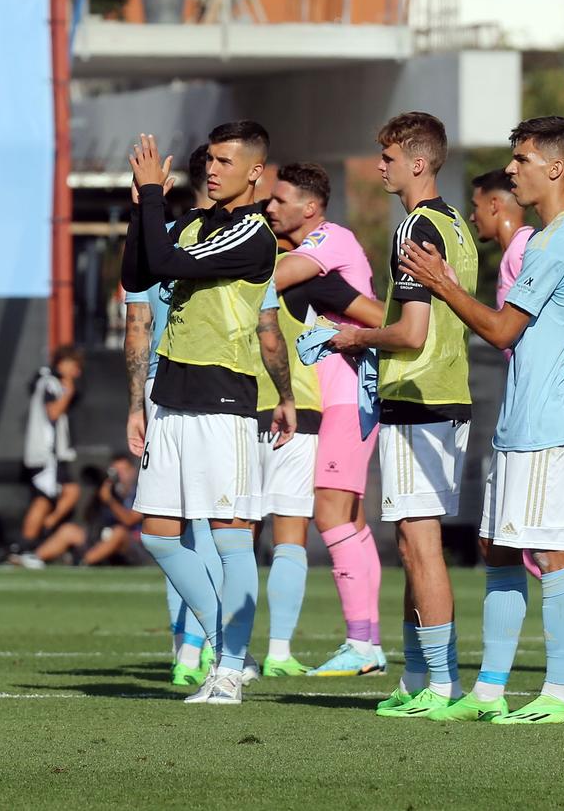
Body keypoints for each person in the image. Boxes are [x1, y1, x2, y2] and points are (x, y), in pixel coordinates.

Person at [400, 116, 564, 724]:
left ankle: (560, 693)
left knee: (554, 551)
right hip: (521, 420)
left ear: (556, 168)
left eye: (523, 159)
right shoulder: (540, 239)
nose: (512, 170)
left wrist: (441, 283)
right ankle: (488, 690)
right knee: (502, 549)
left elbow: (503, 328)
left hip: (552, 424)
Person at [122, 122, 293, 706]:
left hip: (222, 402)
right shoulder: (195, 222)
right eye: (210, 159)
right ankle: (228, 649)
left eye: (225, 160)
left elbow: (168, 263)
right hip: (171, 397)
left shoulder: (253, 234)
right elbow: (138, 275)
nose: (212, 169)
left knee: (230, 539)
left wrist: (151, 198)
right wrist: (137, 207)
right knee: (159, 535)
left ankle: (229, 666)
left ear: (254, 171)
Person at [327, 111, 474, 718]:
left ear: (418, 162)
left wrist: (353, 339)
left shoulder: (416, 225)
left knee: (420, 547)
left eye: (387, 156)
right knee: (416, 545)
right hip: (446, 394)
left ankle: (443, 685)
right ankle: (418, 677)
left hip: (419, 395)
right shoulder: (456, 222)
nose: (379, 165)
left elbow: (412, 333)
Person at [259, 163, 383, 676]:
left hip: (349, 395)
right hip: (336, 394)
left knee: (330, 514)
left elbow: (268, 277)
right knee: (349, 519)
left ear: (310, 209)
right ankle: (367, 642)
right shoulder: (309, 247)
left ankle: (362, 644)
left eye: (279, 200)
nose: (270, 207)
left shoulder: (331, 239)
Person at [124, 144, 221, 686]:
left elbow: (137, 326)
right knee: (205, 522)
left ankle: (186, 652)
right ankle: (211, 646)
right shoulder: (224, 241)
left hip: (164, 388)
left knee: (169, 520)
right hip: (210, 387)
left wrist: (135, 403)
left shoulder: (145, 246)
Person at [18, 345, 84, 567]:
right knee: (43, 499)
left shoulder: (49, 382)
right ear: (63, 363)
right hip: (46, 452)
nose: (77, 372)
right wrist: (69, 392)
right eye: (74, 366)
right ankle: (26, 547)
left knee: (65, 492)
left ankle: (40, 536)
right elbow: (53, 412)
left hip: (53, 454)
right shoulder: (50, 383)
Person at [470, 169, 535, 306]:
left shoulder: (521, 251)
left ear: (494, 205)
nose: (472, 218)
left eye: (476, 207)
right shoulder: (517, 248)